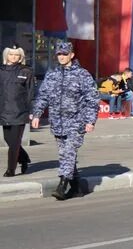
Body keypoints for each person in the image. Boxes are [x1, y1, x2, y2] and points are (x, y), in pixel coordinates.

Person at [30, 40, 98, 199]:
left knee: (68, 152)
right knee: (65, 153)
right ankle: (77, 188)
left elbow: (92, 99)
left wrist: (90, 121)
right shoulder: (52, 74)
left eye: (64, 54)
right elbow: (43, 96)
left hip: (76, 121)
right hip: (57, 122)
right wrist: (37, 114)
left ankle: (62, 185)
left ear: (72, 55)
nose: (61, 57)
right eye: (59, 54)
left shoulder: (83, 75)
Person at [1, 45, 35, 176]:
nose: (14, 57)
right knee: (8, 140)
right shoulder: (1, 70)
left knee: (14, 144)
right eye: (11, 54)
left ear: (21, 57)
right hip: (4, 111)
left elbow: (31, 93)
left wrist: (33, 111)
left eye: (17, 55)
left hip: (20, 112)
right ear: (6, 55)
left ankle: (11, 169)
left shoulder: (26, 71)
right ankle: (24, 158)